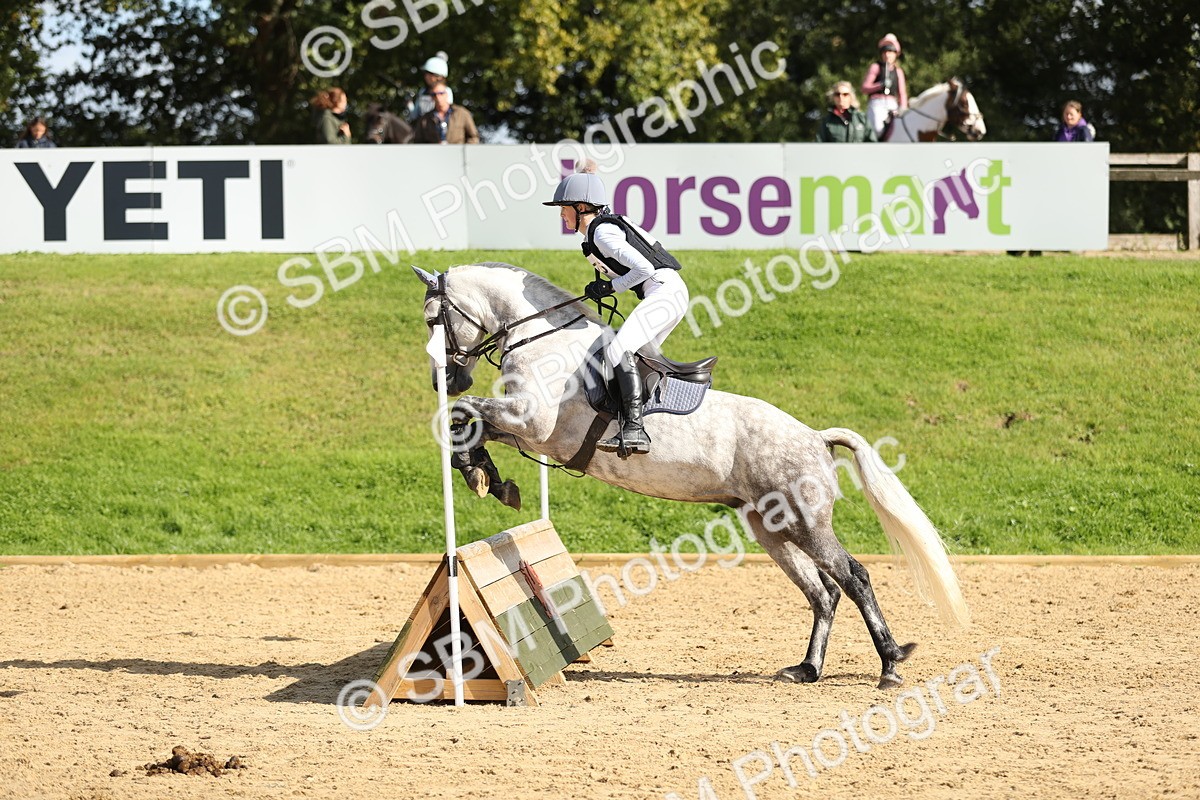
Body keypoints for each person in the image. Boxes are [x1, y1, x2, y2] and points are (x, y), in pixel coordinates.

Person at [542, 162, 690, 456]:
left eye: (564, 208)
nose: (561, 215)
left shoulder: (602, 234)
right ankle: (641, 422)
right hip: (667, 292)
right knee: (637, 359)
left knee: (617, 351)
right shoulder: (599, 229)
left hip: (663, 290)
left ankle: (634, 429)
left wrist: (611, 287)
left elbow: (644, 268)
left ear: (581, 207)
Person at [861, 33, 908, 138]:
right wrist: (880, 85)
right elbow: (864, 88)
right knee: (878, 129)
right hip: (877, 103)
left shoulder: (898, 71)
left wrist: (903, 108)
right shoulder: (876, 67)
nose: (887, 54)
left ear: (896, 54)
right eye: (885, 51)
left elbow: (902, 93)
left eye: (891, 51)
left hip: (892, 104)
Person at [413, 86, 480, 144]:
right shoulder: (425, 119)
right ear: (431, 97)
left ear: (447, 94)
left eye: (441, 93)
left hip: (458, 153)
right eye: (434, 94)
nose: (438, 97)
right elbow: (418, 142)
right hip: (434, 153)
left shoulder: (462, 114)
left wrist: (464, 150)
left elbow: (474, 137)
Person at [408, 52, 453, 121]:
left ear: (439, 76)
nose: (426, 76)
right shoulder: (423, 91)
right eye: (426, 73)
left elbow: (447, 114)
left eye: (429, 73)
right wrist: (409, 104)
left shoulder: (446, 91)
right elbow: (414, 115)